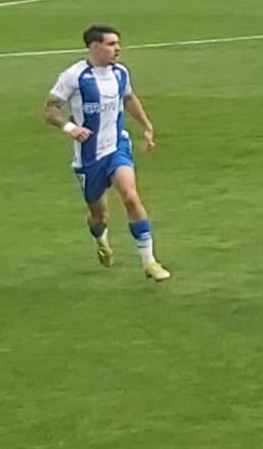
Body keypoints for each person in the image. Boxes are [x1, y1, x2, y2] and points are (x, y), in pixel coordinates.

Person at [42, 24, 170, 282]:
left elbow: (129, 99)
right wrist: (70, 128)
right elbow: (50, 110)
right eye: (112, 44)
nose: (118, 48)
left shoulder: (120, 73)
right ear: (94, 47)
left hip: (116, 148)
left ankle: (150, 262)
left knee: (131, 197)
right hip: (88, 158)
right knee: (99, 216)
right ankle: (101, 239)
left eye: (118, 43)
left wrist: (147, 127)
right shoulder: (74, 76)